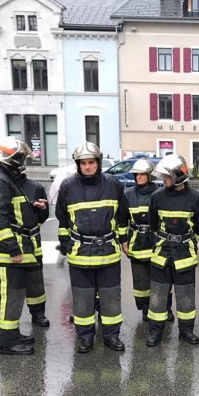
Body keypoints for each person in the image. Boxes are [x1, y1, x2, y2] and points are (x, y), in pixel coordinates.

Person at [56, 142, 129, 354]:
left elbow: (122, 216)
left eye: (91, 162)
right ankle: (85, 337)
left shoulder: (114, 184)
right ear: (78, 164)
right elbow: (63, 220)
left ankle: (111, 336)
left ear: (98, 162)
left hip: (108, 253)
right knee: (82, 301)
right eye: (83, 163)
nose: (87, 167)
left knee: (110, 299)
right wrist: (66, 245)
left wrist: (123, 239)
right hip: (80, 255)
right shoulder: (68, 186)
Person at [0, 137, 50, 355]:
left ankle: (12, 334)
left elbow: (14, 213)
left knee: (15, 295)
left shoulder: (5, 179)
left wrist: (36, 207)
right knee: (10, 295)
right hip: (9, 253)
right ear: (16, 158)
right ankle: (7, 341)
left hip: (19, 248)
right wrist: (13, 249)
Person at [146, 154, 199, 347]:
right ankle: (155, 332)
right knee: (157, 296)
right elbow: (153, 224)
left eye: (167, 176)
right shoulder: (157, 196)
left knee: (186, 296)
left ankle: (186, 331)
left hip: (184, 256)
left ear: (178, 176)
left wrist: (187, 240)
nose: (163, 180)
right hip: (161, 254)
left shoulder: (195, 198)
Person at [124, 159, 175, 322]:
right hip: (137, 242)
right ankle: (145, 309)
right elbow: (121, 220)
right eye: (136, 174)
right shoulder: (128, 195)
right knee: (141, 283)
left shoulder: (160, 193)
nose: (138, 177)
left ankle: (165, 308)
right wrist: (123, 241)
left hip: (157, 243)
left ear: (150, 175)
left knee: (162, 279)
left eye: (142, 174)